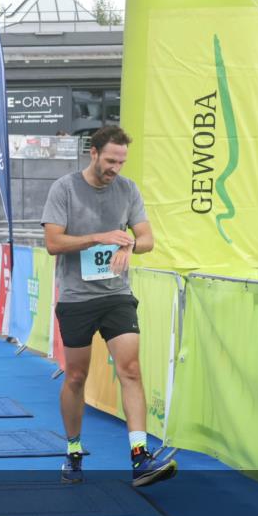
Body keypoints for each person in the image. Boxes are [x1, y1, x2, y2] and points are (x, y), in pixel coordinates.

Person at [41, 125, 176, 487]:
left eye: (122, 161)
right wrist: (98, 237)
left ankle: (139, 457)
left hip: (116, 294)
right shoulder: (64, 189)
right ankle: (72, 449)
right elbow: (53, 243)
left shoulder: (128, 189)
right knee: (76, 377)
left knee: (130, 368)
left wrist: (130, 243)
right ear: (94, 154)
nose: (116, 167)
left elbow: (148, 238)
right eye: (111, 160)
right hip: (76, 297)